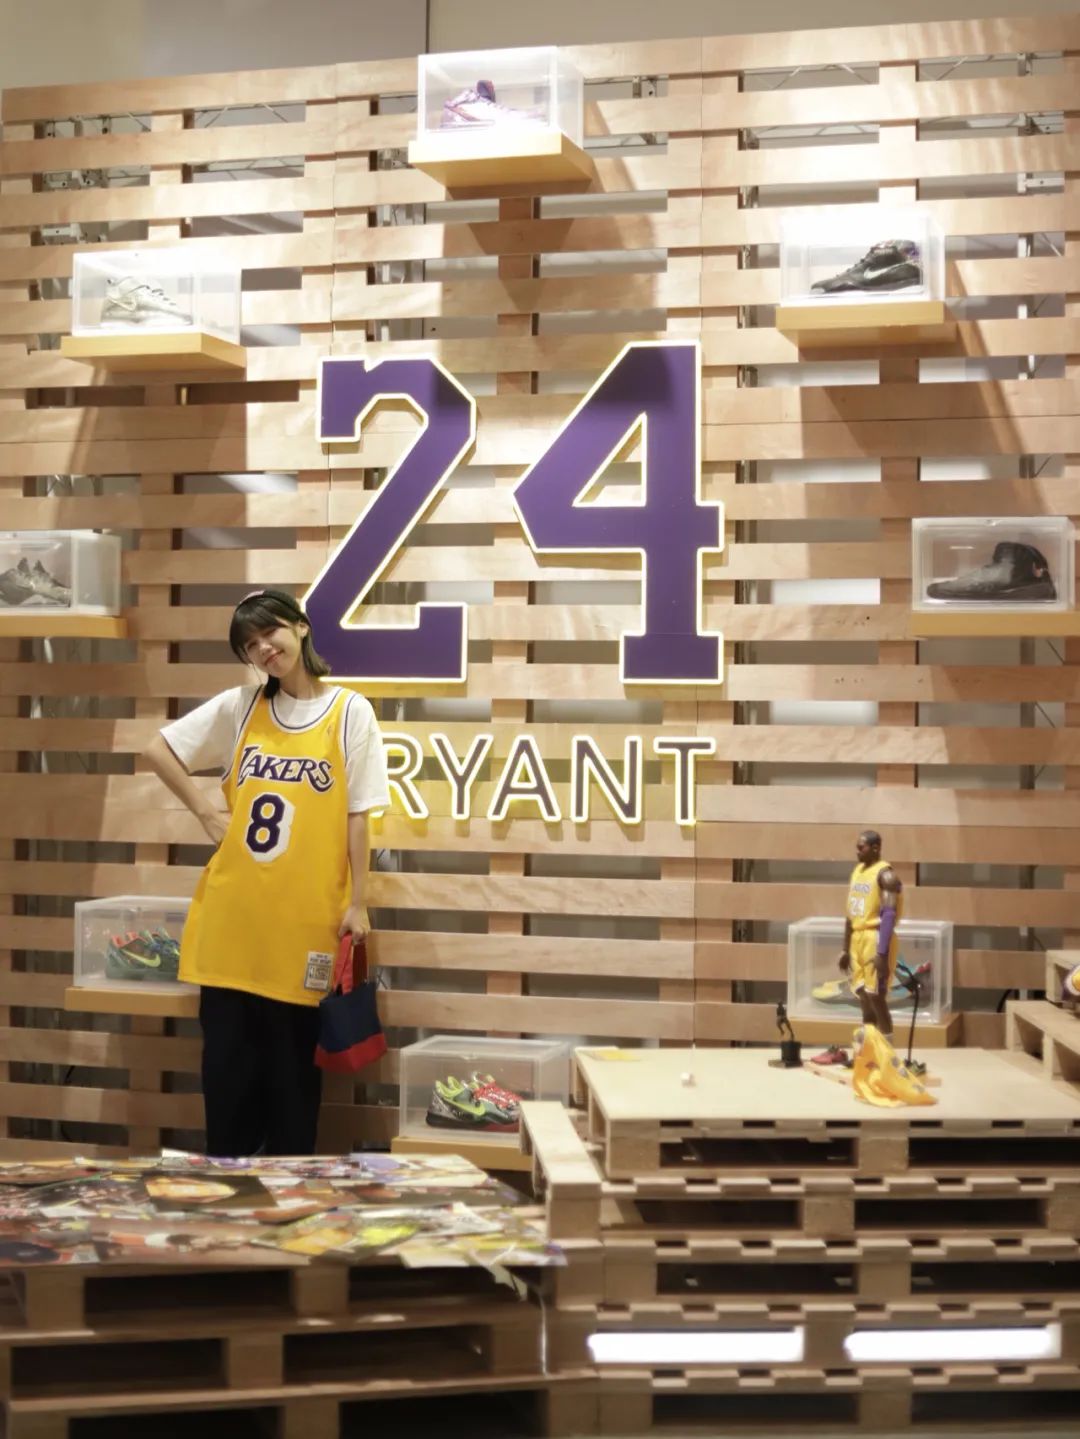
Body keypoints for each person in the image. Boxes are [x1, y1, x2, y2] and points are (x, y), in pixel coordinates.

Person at [144, 589, 390, 1157]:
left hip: (302, 930)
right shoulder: (242, 706)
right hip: (231, 929)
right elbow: (158, 750)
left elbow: (358, 816)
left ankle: (286, 1211)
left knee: (292, 1101)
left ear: (300, 627)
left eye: (270, 632)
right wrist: (206, 812)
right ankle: (228, 1208)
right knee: (227, 1098)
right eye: (250, 644)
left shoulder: (350, 711)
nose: (263, 648)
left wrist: (358, 902)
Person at [838, 829, 903, 1037]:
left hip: (874, 937)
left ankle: (887, 1047)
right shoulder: (857, 872)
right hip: (857, 937)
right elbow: (850, 912)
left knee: (876, 996)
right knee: (862, 994)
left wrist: (882, 953)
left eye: (861, 847)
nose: (857, 851)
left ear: (875, 848)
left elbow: (889, 914)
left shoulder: (886, 875)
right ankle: (869, 1044)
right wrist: (845, 948)